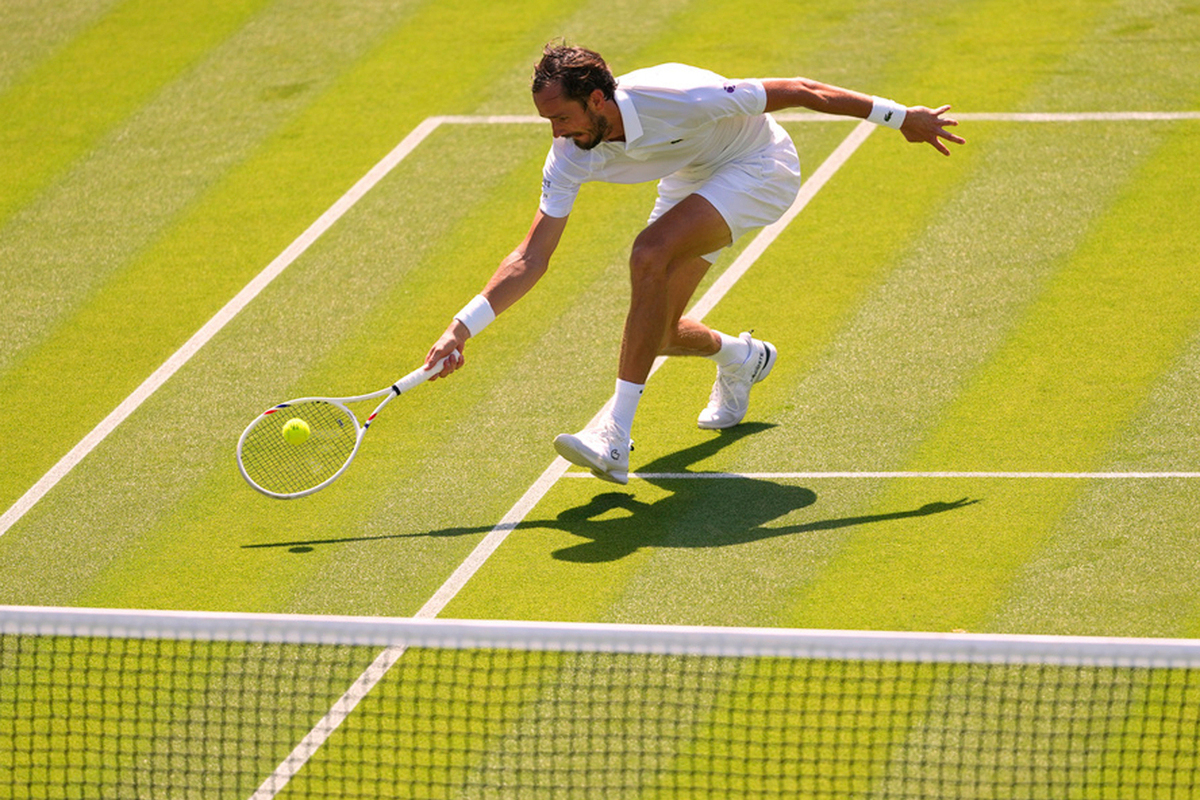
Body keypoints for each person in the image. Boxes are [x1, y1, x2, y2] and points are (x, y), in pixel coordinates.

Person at [425, 42, 964, 484]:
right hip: (691, 177)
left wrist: (901, 117)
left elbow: (802, 90)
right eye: (548, 121)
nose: (556, 133)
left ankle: (614, 436)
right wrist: (459, 328)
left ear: (597, 99)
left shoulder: (679, 97)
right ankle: (743, 358)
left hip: (758, 165)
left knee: (649, 252)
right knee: (657, 334)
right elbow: (530, 256)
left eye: (562, 117)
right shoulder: (568, 155)